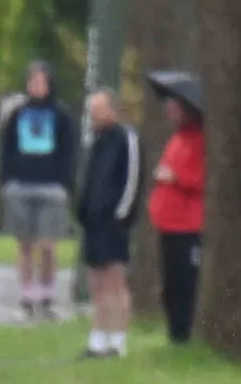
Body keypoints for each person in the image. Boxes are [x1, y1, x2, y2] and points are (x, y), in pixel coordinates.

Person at [0, 61, 79, 321]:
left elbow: (70, 151)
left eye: (41, 82)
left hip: (51, 187)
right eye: (32, 82)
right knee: (25, 244)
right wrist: (7, 180)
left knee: (48, 244)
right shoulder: (17, 114)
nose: (36, 87)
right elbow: (6, 149)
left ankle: (47, 294)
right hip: (21, 185)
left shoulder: (61, 116)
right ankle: (27, 295)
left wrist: (65, 182)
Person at [141, 71, 206, 345]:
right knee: (170, 284)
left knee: (184, 284)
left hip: (188, 226)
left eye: (175, 107)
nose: (170, 111)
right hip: (168, 225)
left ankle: (183, 334)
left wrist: (176, 177)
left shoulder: (200, 139)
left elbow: (203, 178)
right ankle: (174, 332)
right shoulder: (177, 138)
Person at [77, 86, 139, 358]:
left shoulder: (127, 139)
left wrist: (122, 215)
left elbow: (132, 180)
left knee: (115, 280)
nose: (93, 114)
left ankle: (118, 339)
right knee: (97, 281)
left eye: (98, 108)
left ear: (112, 109)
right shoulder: (95, 141)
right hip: (93, 221)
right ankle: (98, 337)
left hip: (115, 222)